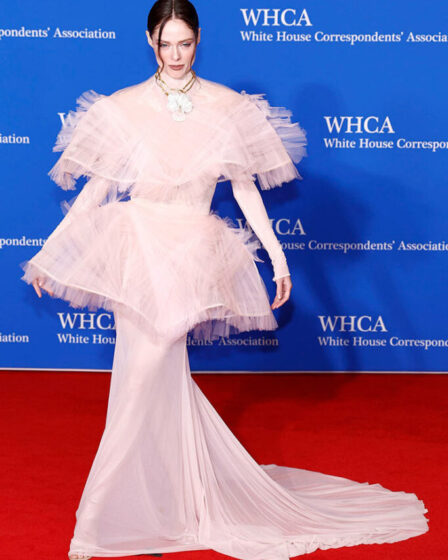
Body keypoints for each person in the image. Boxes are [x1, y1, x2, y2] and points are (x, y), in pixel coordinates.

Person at [20, 1, 429, 559]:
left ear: (199, 39)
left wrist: (279, 260)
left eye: (185, 43)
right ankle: (147, 501)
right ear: (149, 42)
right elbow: (94, 192)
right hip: (136, 247)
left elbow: (244, 190)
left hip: (188, 251)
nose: (176, 55)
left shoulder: (228, 108)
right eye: (166, 45)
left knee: (148, 372)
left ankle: (103, 517)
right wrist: (48, 254)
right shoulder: (122, 108)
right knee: (138, 375)